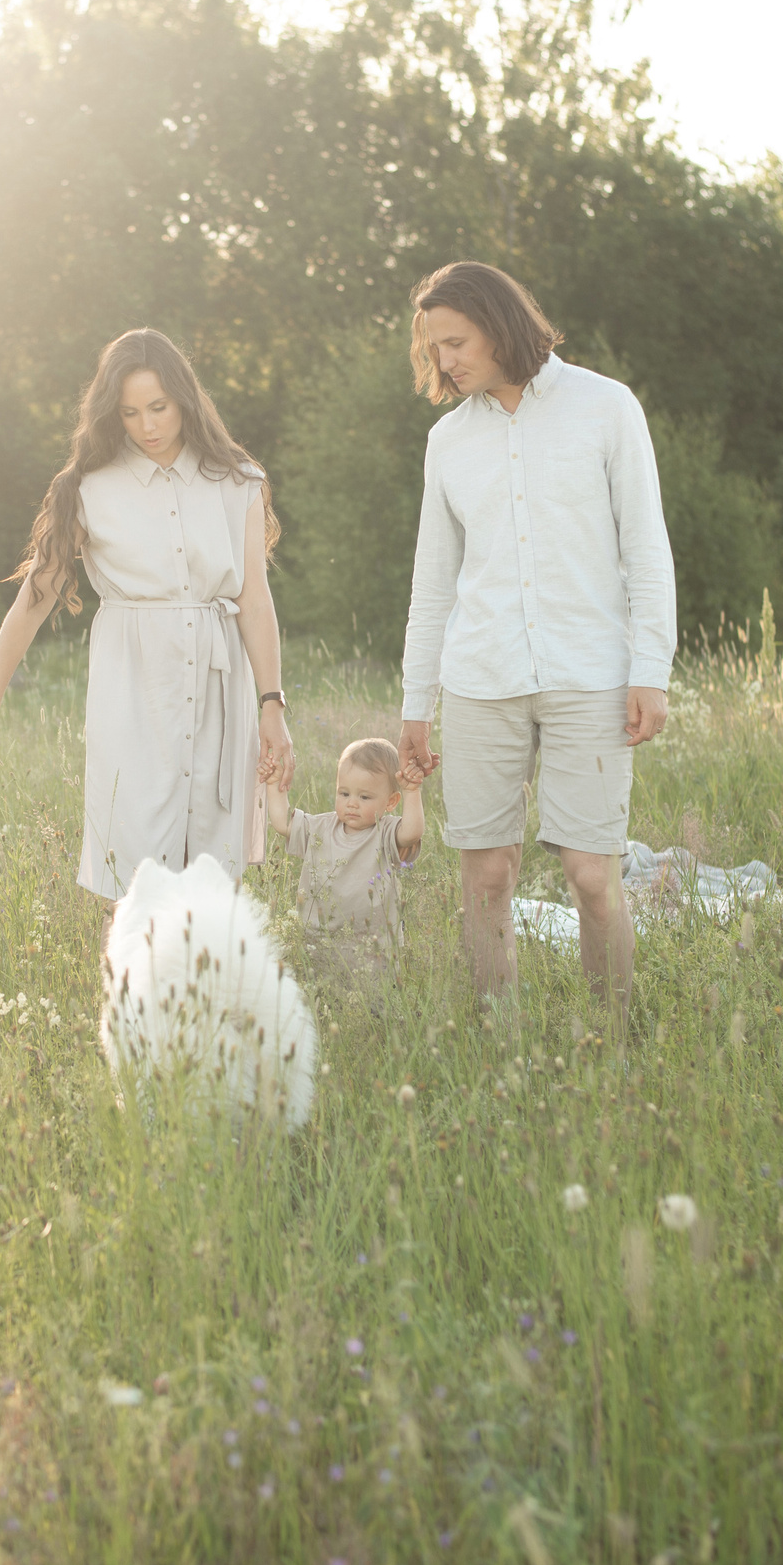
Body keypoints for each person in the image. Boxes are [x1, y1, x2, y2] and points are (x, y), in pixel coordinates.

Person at [396, 262, 674, 1028]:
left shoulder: (606, 408)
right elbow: (433, 584)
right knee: (487, 877)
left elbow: (647, 549)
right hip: (480, 680)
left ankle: (614, 1040)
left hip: (591, 673)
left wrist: (651, 669)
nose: (445, 360)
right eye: (434, 347)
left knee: (593, 876)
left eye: (456, 341)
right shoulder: (447, 442)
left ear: (499, 324)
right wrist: (417, 704)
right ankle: (500, 1044)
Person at [0, 328, 295, 900]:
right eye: (130, 413)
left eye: (159, 407)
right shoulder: (89, 487)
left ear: (185, 399)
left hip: (220, 688)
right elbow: (36, 596)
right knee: (135, 879)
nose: (147, 426)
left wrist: (272, 706)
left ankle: (204, 963)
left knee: (214, 875)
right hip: (134, 692)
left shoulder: (238, 481)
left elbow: (255, 601)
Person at [262, 736, 425, 983]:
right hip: (318, 942)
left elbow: (412, 832)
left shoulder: (385, 832)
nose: (352, 804)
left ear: (391, 801)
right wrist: (274, 783)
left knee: (373, 1001)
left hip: (373, 948)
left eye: (364, 797)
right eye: (344, 793)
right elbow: (283, 823)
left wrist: (412, 791)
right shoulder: (320, 827)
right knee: (321, 993)